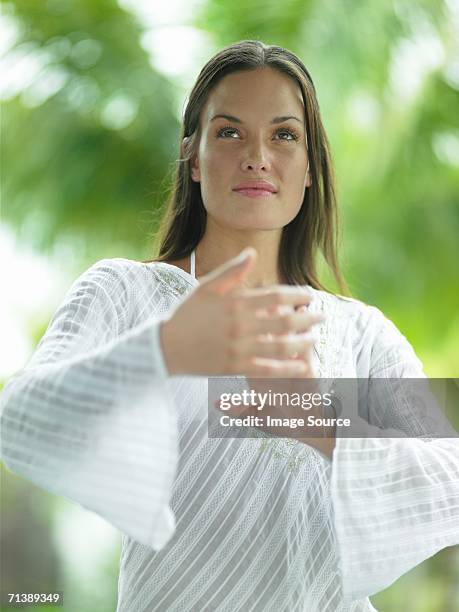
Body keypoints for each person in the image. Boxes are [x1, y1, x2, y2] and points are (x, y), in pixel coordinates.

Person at [1, 40, 458, 612]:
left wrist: (315, 420)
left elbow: (450, 474)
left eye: (285, 135)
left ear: (312, 167)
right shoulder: (125, 292)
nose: (257, 156)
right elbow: (20, 417)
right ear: (192, 157)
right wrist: (162, 351)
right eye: (230, 132)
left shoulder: (361, 332)